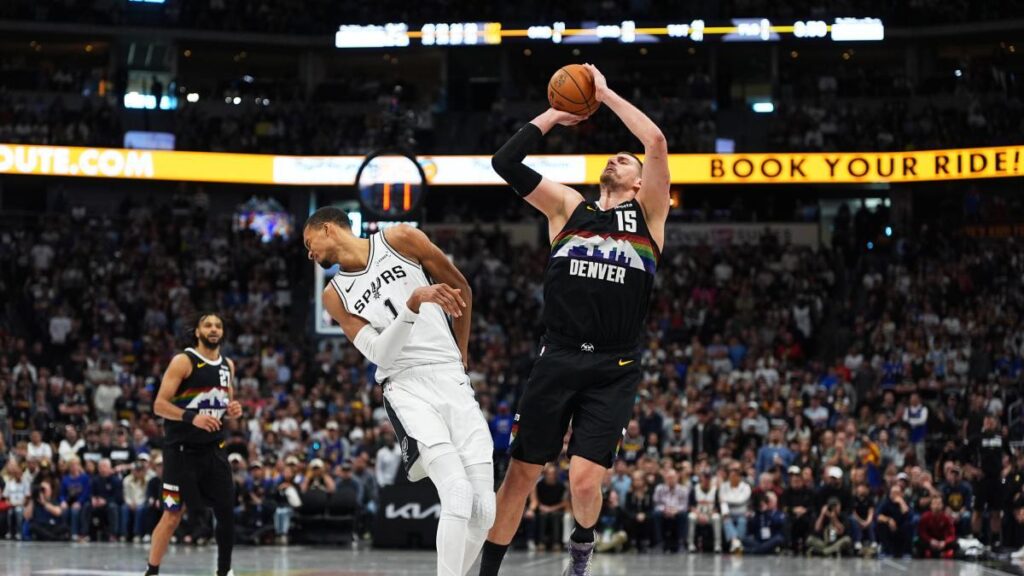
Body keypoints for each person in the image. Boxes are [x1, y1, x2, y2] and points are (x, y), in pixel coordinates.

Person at [481, 63, 670, 576]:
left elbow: (654, 140)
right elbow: (505, 161)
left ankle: (581, 552)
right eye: (615, 156)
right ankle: (487, 572)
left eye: (625, 160)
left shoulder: (649, 216)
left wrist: (603, 94)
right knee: (519, 476)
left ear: (638, 182)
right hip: (557, 357)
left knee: (584, 481)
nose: (619, 158)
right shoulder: (568, 206)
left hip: (615, 364)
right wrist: (553, 114)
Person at [304, 207, 494, 576]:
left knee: (484, 510)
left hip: (450, 376)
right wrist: (412, 305)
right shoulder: (334, 294)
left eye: (308, 243)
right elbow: (379, 354)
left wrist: (462, 353)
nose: (309, 253)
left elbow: (462, 289)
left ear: (326, 229)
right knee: (456, 492)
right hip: (405, 385)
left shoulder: (401, 239)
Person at [145, 313, 242, 576]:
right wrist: (192, 417)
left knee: (225, 512)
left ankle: (224, 572)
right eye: (207, 325)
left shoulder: (228, 366)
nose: (213, 329)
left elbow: (226, 401)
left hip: (213, 450)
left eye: (218, 326)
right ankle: (152, 571)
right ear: (197, 332)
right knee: (173, 514)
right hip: (181, 452)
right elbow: (159, 405)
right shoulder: (183, 361)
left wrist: (233, 409)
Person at [652, 468, 688, 553]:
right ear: (665, 478)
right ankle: (659, 543)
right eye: (668, 477)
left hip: (677, 512)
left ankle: (681, 543)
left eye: (673, 477)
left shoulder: (683, 489)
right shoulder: (659, 488)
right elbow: (656, 504)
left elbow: (684, 505)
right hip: (664, 511)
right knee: (656, 514)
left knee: (683, 515)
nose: (671, 480)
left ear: (677, 477)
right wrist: (665, 510)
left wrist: (675, 510)